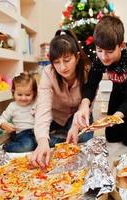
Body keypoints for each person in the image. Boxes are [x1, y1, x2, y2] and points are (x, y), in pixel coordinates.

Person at [73, 15, 127, 146]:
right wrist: (85, 105)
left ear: (121, 45)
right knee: (112, 137)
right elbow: (91, 84)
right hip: (118, 92)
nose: (104, 57)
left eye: (109, 51)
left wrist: (115, 117)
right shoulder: (99, 58)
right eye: (99, 50)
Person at [31, 29, 92, 167]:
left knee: (85, 140)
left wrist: (76, 127)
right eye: (56, 62)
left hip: (78, 116)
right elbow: (43, 108)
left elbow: (88, 105)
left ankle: (61, 136)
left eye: (67, 60)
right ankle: (58, 137)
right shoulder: (48, 73)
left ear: (76, 57)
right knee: (40, 141)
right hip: (56, 116)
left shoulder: (87, 71)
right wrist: (42, 142)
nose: (62, 67)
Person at [0, 72, 38, 152]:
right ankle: (6, 147)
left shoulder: (36, 103)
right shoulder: (13, 106)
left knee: (50, 141)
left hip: (37, 131)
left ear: (34, 93)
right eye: (19, 95)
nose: (23, 98)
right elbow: (1, 119)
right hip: (21, 134)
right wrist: (3, 125)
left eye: (28, 94)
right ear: (13, 93)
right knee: (28, 146)